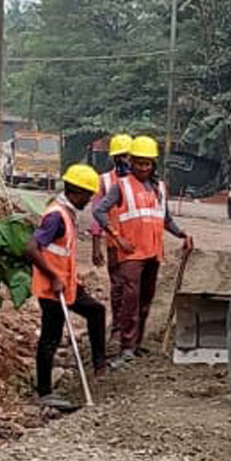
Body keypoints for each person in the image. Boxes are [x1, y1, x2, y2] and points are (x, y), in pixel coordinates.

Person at [93, 136, 194, 366]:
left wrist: (183, 234)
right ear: (132, 162)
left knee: (146, 300)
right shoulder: (122, 185)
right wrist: (116, 236)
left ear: (153, 165)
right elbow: (99, 212)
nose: (143, 167)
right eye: (139, 162)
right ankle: (126, 347)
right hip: (130, 255)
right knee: (130, 300)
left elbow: (165, 219)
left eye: (147, 163)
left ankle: (136, 344)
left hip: (153, 253)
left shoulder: (160, 188)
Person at [25, 164, 107, 410]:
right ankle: (44, 391)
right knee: (50, 337)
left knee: (96, 311)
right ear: (78, 192)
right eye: (88, 195)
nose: (89, 200)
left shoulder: (67, 213)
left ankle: (100, 366)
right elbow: (30, 248)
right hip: (53, 288)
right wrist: (52, 275)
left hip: (67, 284)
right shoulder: (55, 216)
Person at [90, 133, 134, 344]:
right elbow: (97, 213)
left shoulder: (142, 182)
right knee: (118, 286)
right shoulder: (105, 181)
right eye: (121, 156)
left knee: (134, 287)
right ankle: (117, 327)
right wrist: (95, 244)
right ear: (115, 158)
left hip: (137, 243)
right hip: (114, 242)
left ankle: (131, 328)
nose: (125, 160)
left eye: (128, 156)